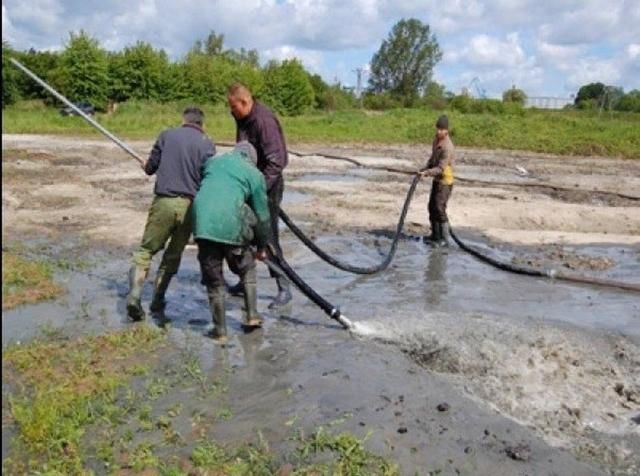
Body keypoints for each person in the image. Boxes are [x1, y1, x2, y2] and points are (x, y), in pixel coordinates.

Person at [126, 107, 216, 321]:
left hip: (164, 201)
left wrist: (145, 166)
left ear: (183, 120)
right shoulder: (207, 144)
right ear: (201, 123)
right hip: (189, 206)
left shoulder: (166, 135)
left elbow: (150, 168)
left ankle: (135, 296)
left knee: (146, 251)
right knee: (172, 256)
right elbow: (208, 179)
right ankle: (157, 300)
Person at [192, 142, 271, 343]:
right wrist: (262, 247)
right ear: (252, 159)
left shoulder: (213, 163)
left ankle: (220, 331)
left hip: (203, 226)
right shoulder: (254, 175)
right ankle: (252, 315)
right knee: (247, 268)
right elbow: (262, 216)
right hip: (231, 224)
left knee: (214, 280)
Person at [226, 82, 292, 309]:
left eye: (233, 107)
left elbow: (277, 162)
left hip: (267, 187)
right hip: (249, 185)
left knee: (267, 236)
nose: (230, 111)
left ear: (244, 102)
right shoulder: (243, 119)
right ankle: (246, 280)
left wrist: (258, 190)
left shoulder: (263, 121)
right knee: (245, 234)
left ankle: (284, 288)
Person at [418, 114, 455, 247]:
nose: (439, 131)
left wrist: (427, 173)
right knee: (431, 207)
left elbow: (440, 167)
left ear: (447, 130)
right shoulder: (436, 141)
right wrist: (425, 168)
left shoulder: (448, 147)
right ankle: (435, 236)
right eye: (438, 129)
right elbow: (433, 159)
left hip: (445, 181)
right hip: (437, 179)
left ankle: (444, 239)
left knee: (439, 208)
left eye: (441, 129)